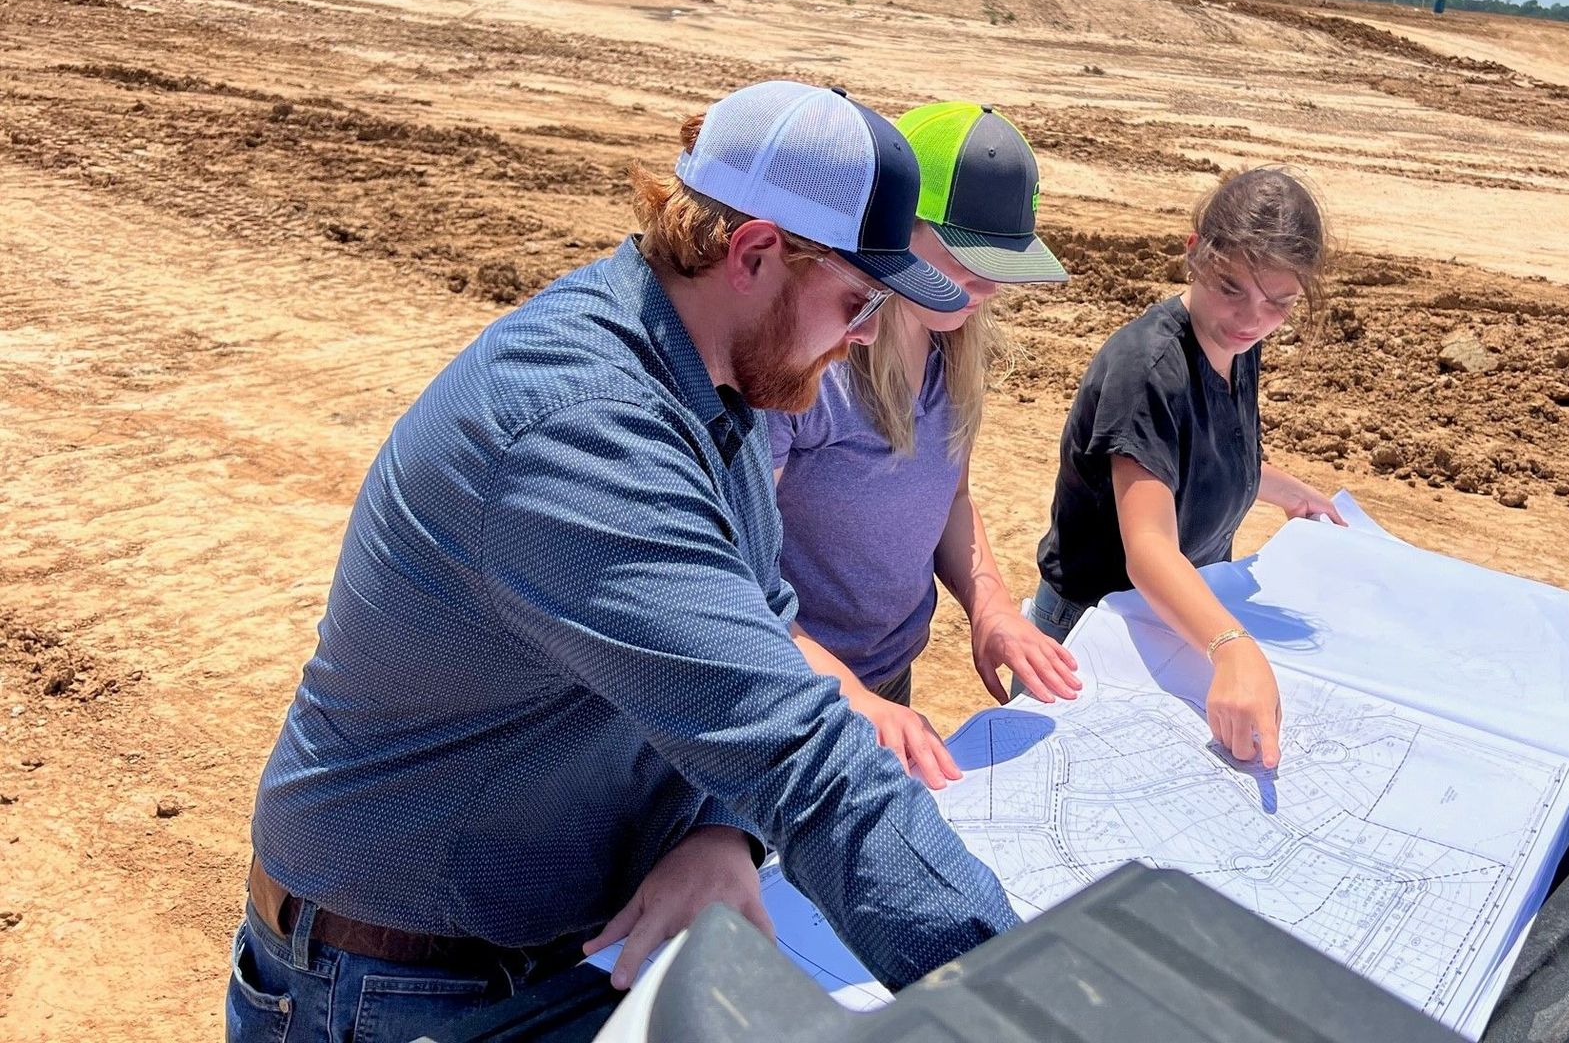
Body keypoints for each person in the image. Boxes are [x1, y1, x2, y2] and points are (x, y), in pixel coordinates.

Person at [228, 80, 1019, 1043]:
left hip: (560, 943)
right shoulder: (583, 430)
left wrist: (721, 830)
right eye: (856, 301)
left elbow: (760, 633)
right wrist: (1027, 1002)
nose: (862, 337)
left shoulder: (707, 385)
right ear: (756, 253)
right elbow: (794, 752)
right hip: (407, 986)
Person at [770, 102, 1081, 788]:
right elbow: (733, 581)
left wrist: (991, 604)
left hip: (885, 679)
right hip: (791, 691)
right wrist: (849, 698)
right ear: (891, 228)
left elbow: (950, 497)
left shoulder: (954, 353)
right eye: (970, 260)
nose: (991, 286)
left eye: (1007, 264)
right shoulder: (810, 373)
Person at [1029, 167, 1344, 771]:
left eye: (1279, 303)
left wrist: (1283, 488)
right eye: (1231, 288)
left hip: (1170, 617)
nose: (1252, 319)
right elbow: (1147, 547)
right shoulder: (1149, 370)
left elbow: (1204, 452)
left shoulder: (1232, 343)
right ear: (1195, 250)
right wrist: (1231, 647)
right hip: (1096, 628)